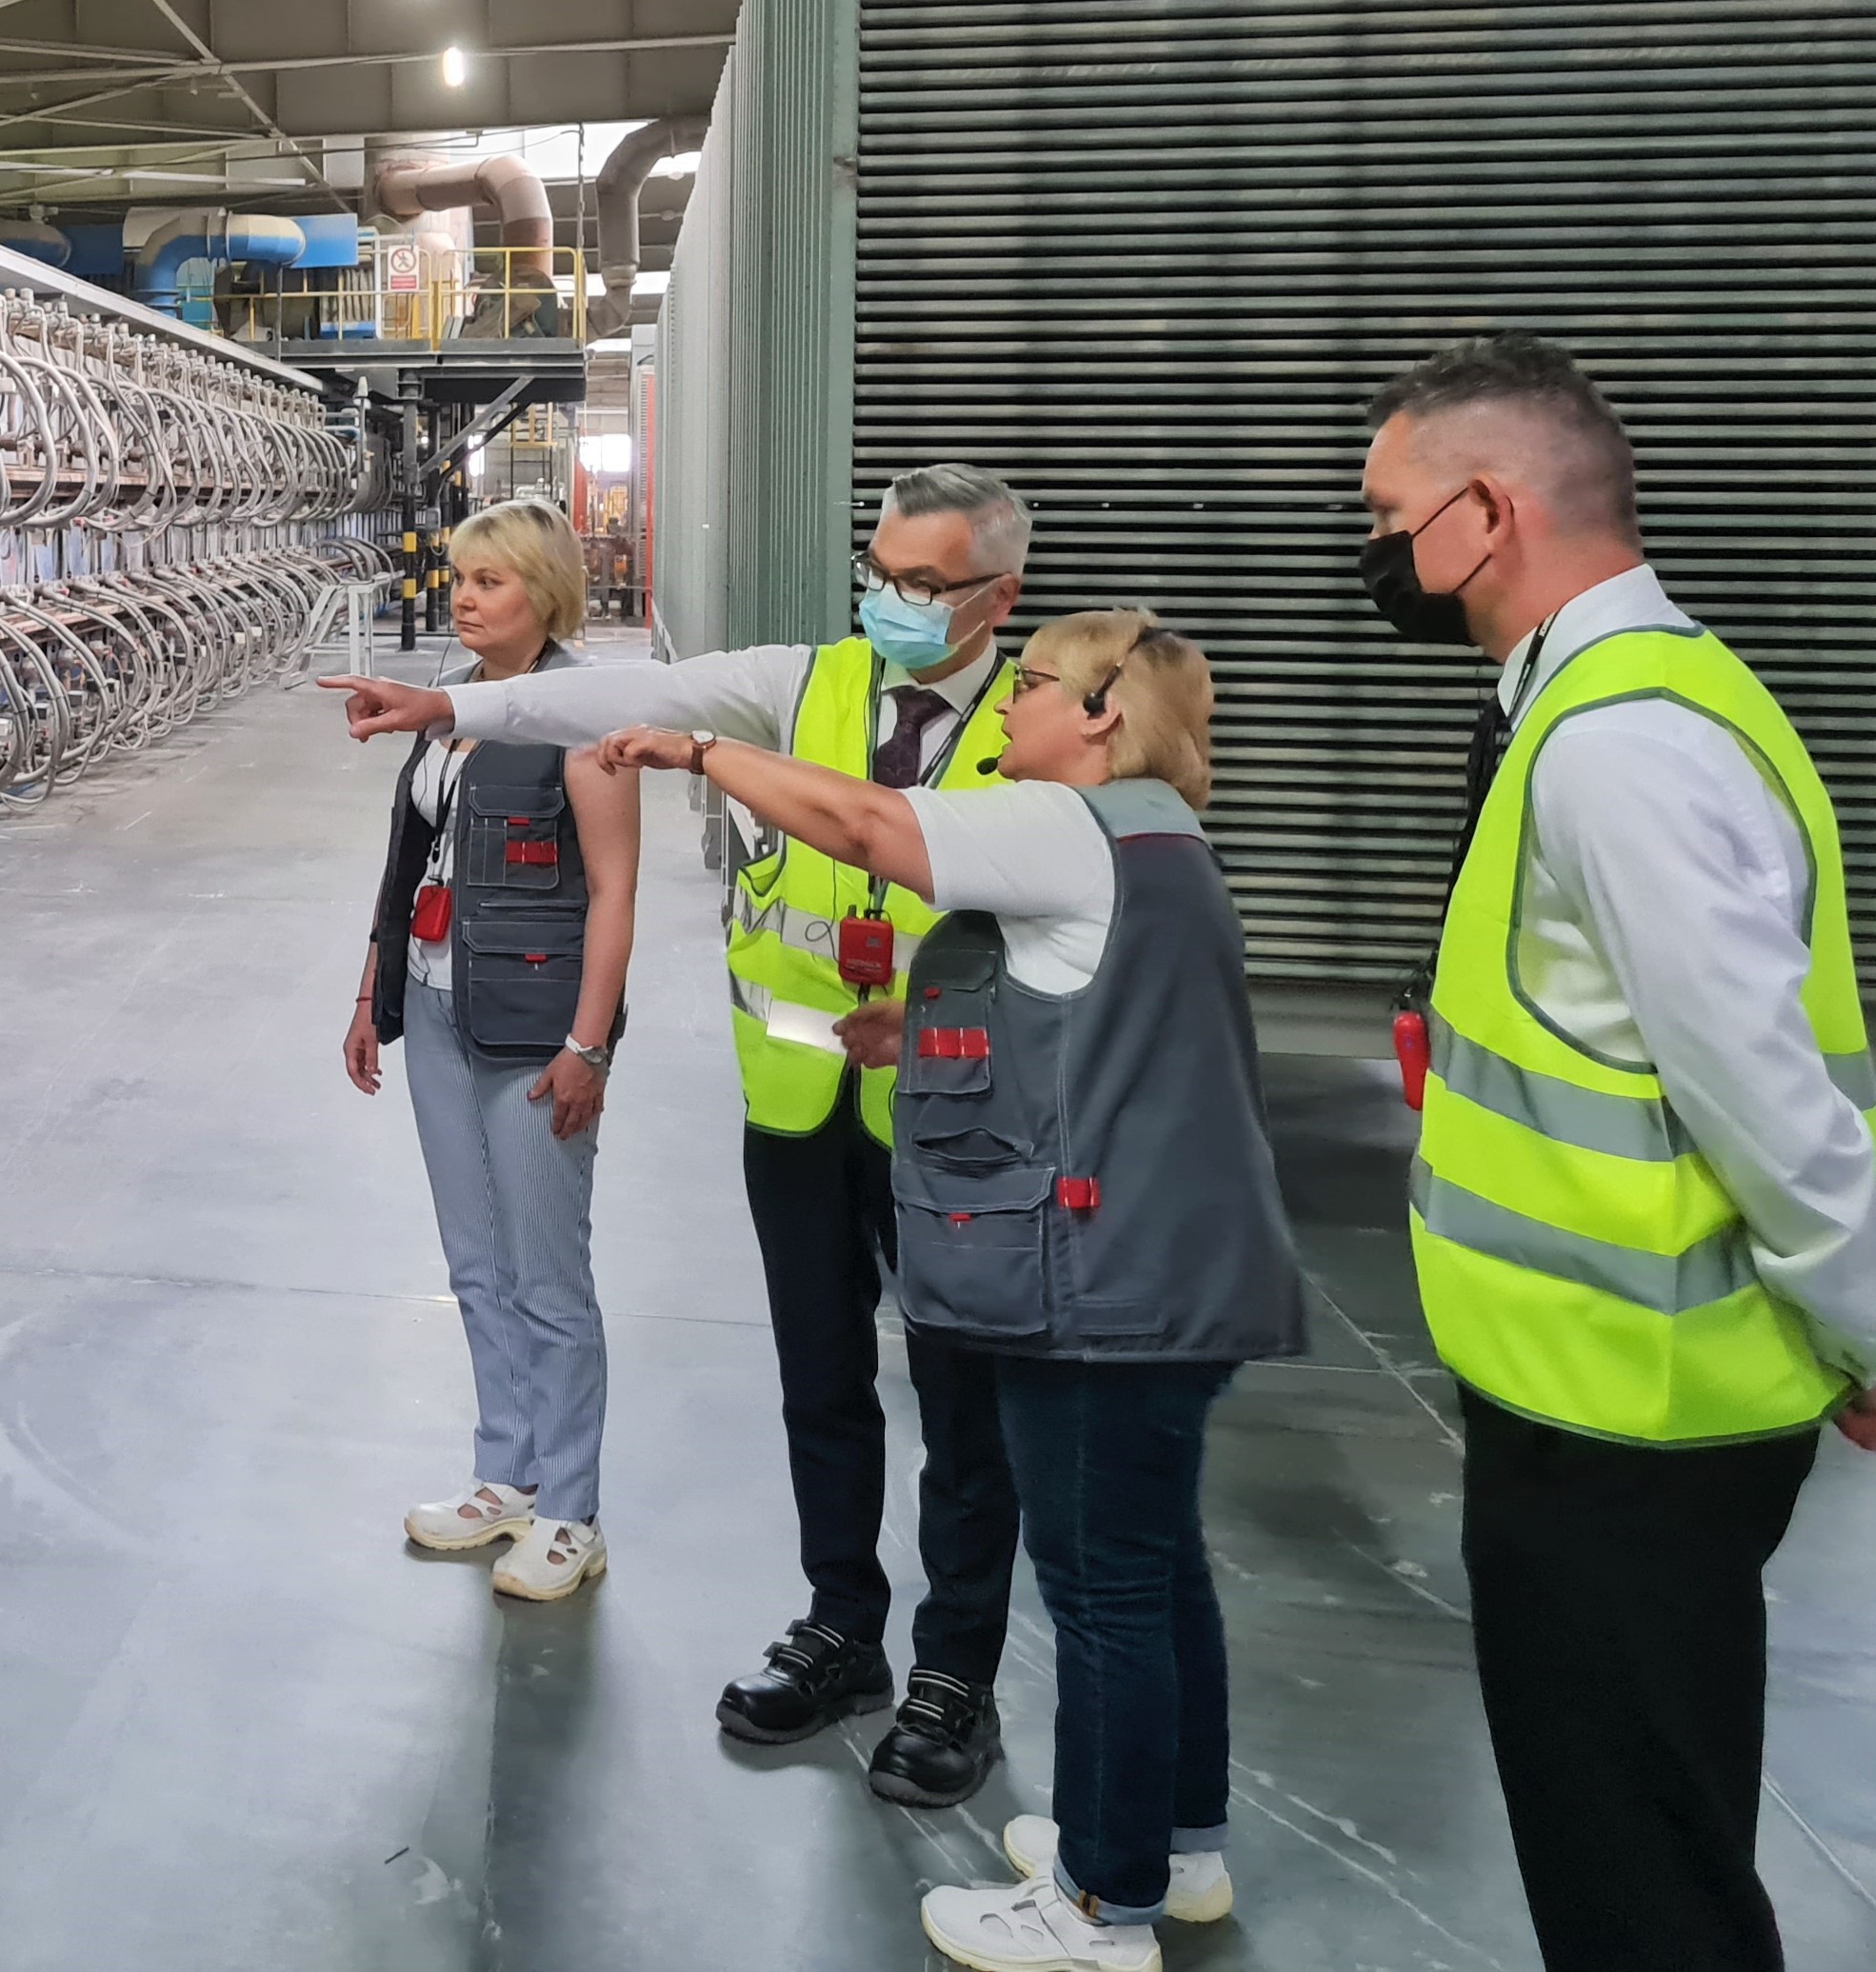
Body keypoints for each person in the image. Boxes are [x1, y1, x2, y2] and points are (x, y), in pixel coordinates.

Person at [603, 608, 1305, 1972]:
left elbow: (868, 825)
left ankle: (1099, 1905)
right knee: (1156, 1572)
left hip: (1102, 1280)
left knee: (1101, 1594)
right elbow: (1087, 1021)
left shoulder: (1067, 823)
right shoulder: (1156, 835)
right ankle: (1174, 1845)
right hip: (1174, 1265)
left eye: (1032, 686)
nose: (1010, 711)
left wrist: (697, 749)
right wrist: (921, 1021)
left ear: (1101, 714)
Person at [325, 463, 1029, 1804]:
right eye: (878, 571)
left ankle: (955, 1674)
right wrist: (450, 705)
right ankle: (841, 1625)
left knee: (962, 1405)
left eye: (924, 583)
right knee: (820, 1380)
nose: (890, 599)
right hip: (797, 1099)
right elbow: (613, 694)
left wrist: (589, 1035)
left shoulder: (1037, 717)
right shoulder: (806, 682)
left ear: (999, 597)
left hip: (956, 1114)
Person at [1358, 332, 1876, 1972]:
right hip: (1601, 1396)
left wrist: (1871, 1330)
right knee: (1630, 1834)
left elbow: (1767, 1099)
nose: (1375, 549)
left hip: (1635, 1423)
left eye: (1388, 515)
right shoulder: (1603, 703)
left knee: (1636, 1877)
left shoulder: (1616, 747)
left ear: (1488, 512)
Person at [346, 500, 643, 1602]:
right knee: (475, 1262)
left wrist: (588, 1043)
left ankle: (570, 1509)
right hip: (435, 1008)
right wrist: (370, 988)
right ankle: (506, 1474)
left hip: (532, 1024)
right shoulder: (449, 704)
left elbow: (612, 890)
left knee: (545, 1274)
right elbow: (408, 860)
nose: (463, 598)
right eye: (459, 578)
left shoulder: (582, 715)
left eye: (490, 581)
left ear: (544, 591)